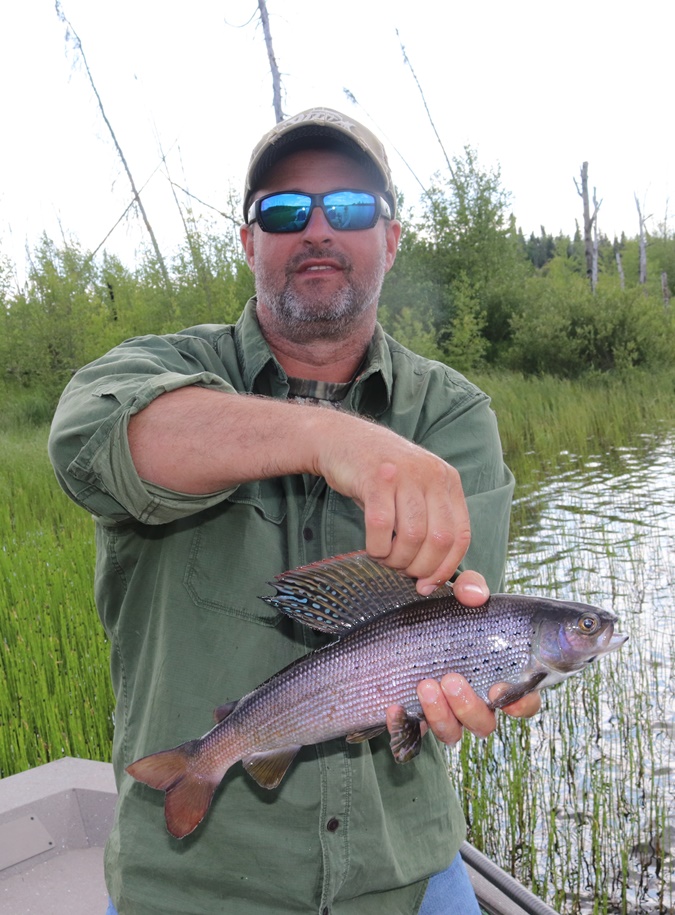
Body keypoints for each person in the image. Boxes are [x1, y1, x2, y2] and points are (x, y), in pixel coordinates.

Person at [49, 107, 540, 915]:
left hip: (408, 876)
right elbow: (88, 443)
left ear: (391, 239)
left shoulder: (450, 414)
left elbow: (463, 610)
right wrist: (325, 439)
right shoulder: (162, 369)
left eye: (348, 207)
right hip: (194, 888)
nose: (316, 229)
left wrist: (489, 681)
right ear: (249, 243)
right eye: (284, 210)